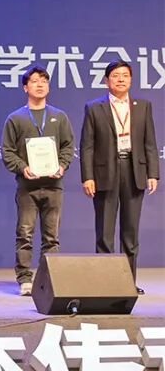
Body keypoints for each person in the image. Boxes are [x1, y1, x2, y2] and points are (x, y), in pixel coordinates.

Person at [80, 60, 159, 294]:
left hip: (134, 171)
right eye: (115, 75)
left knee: (130, 233)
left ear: (131, 80)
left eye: (125, 75)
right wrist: (87, 176)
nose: (121, 79)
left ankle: (127, 283)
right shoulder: (94, 107)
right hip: (105, 173)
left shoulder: (143, 106)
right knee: (105, 232)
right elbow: (87, 146)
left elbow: (150, 143)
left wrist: (153, 173)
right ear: (107, 81)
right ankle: (105, 284)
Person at [1, 67, 75, 296]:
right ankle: (25, 278)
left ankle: (48, 280)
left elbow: (68, 146)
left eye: (44, 81)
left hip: (54, 186)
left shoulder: (59, 116)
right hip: (27, 187)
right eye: (34, 81)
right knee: (25, 234)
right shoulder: (16, 118)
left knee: (52, 238)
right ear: (26, 87)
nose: (40, 84)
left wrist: (62, 165)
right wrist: (23, 168)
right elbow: (7, 152)